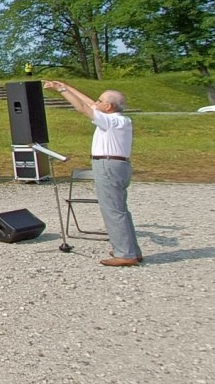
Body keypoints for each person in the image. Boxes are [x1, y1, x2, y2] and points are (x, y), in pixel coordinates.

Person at [43, 80, 142, 267]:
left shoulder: (111, 121)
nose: (96, 102)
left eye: (100, 100)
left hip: (108, 165)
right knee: (120, 209)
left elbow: (82, 108)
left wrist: (61, 90)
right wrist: (66, 86)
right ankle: (132, 250)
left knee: (112, 210)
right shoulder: (120, 119)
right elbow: (89, 104)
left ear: (108, 106)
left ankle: (125, 254)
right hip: (118, 165)